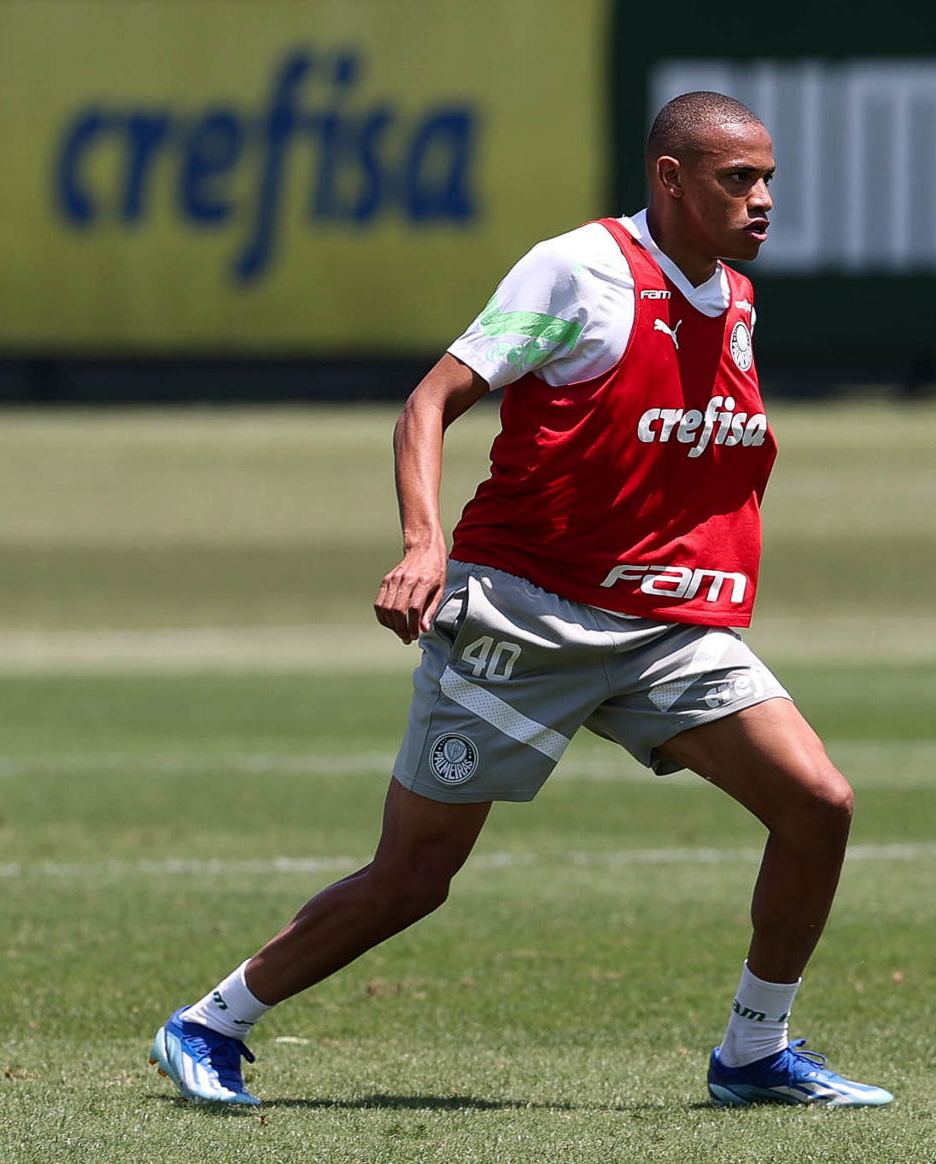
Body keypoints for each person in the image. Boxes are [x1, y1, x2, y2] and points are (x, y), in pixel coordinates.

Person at [150, 91, 893, 1110]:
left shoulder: (735, 298)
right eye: (738, 179)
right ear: (669, 178)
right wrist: (424, 544)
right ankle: (210, 1023)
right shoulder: (578, 271)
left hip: (664, 628)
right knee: (414, 878)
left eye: (768, 179)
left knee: (817, 805)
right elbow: (428, 402)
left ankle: (752, 1053)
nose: (762, 199)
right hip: (525, 616)